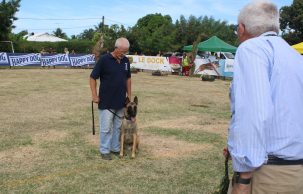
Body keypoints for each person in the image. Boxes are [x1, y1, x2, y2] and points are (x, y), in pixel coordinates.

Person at [227, 1, 303, 194]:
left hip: (266, 174)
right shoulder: (295, 57)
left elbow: (255, 113)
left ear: (242, 28)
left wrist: (243, 177)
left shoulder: (251, 49)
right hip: (296, 172)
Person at [89, 37, 131, 160]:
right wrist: (94, 95)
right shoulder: (104, 60)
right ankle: (104, 150)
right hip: (106, 101)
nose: (124, 54)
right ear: (116, 48)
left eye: (126, 52)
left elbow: (128, 78)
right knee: (106, 128)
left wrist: (129, 96)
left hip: (121, 101)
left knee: (118, 127)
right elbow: (92, 78)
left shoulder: (126, 61)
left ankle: (115, 148)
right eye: (122, 51)